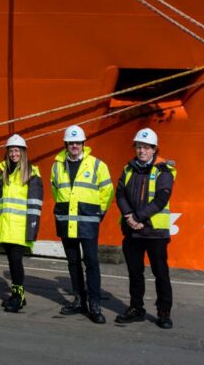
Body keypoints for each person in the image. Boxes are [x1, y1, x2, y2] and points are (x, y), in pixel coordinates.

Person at [51, 124, 114, 323]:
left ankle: (94, 304)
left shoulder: (97, 165)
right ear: (66, 144)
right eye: (71, 143)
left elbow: (107, 191)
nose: (74, 146)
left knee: (91, 263)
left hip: (88, 222)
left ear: (83, 144)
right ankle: (79, 300)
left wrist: (99, 213)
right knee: (72, 262)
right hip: (66, 221)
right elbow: (56, 190)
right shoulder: (57, 165)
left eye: (78, 143)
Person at [114, 127, 176, 329]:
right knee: (135, 273)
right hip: (133, 231)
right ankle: (136, 308)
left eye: (146, 147)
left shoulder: (163, 171)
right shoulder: (128, 169)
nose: (142, 151)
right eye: (139, 147)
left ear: (154, 149)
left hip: (155, 233)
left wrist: (139, 217)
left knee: (161, 273)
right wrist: (129, 217)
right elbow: (120, 194)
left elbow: (161, 199)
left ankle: (164, 312)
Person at [0, 134, 43, 313]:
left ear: (23, 152)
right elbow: (0, 201)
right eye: (11, 151)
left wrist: (32, 230)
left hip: (20, 228)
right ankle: (16, 294)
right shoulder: (4, 173)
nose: (14, 154)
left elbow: (35, 205)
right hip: (6, 226)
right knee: (11, 261)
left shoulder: (31, 174)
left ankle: (19, 295)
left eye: (17, 151)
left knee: (15, 261)